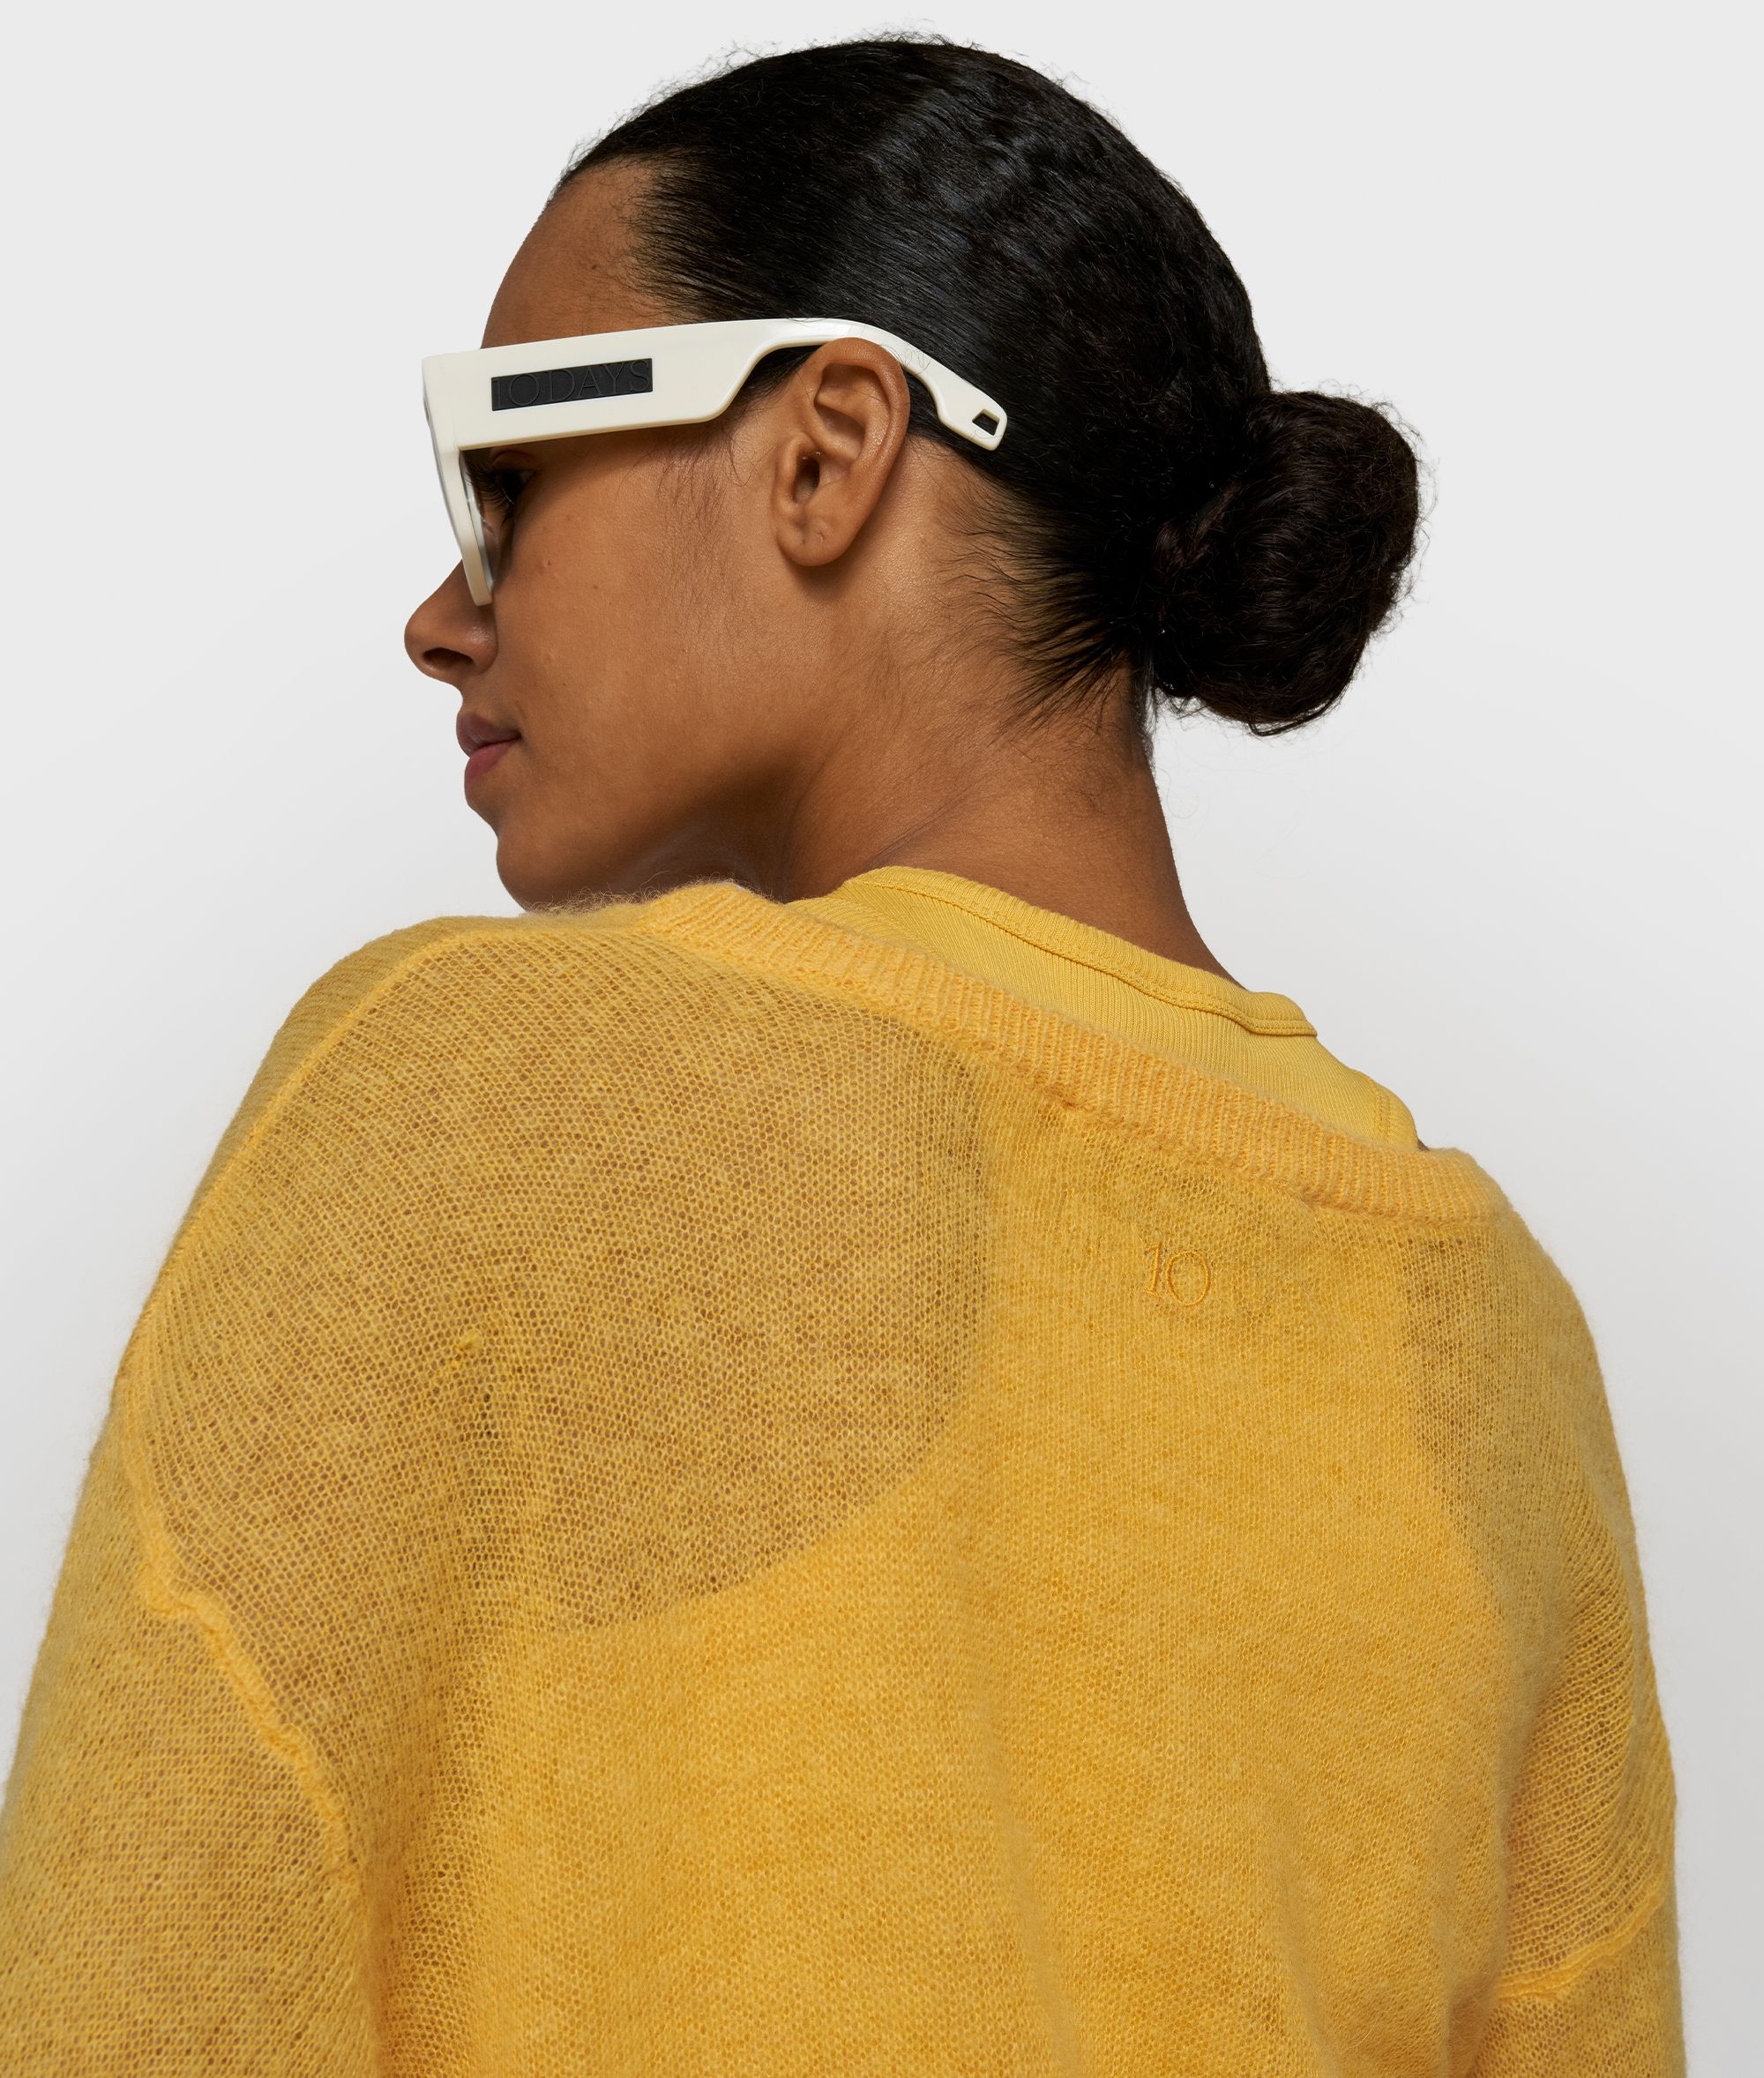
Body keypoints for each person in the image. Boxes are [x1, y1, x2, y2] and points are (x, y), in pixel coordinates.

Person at [0, 35, 1682, 2076]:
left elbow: (132, 2003)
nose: (442, 610)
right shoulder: (1486, 1330)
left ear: (827, 450)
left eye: (502, 475)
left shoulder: (470, 1100)